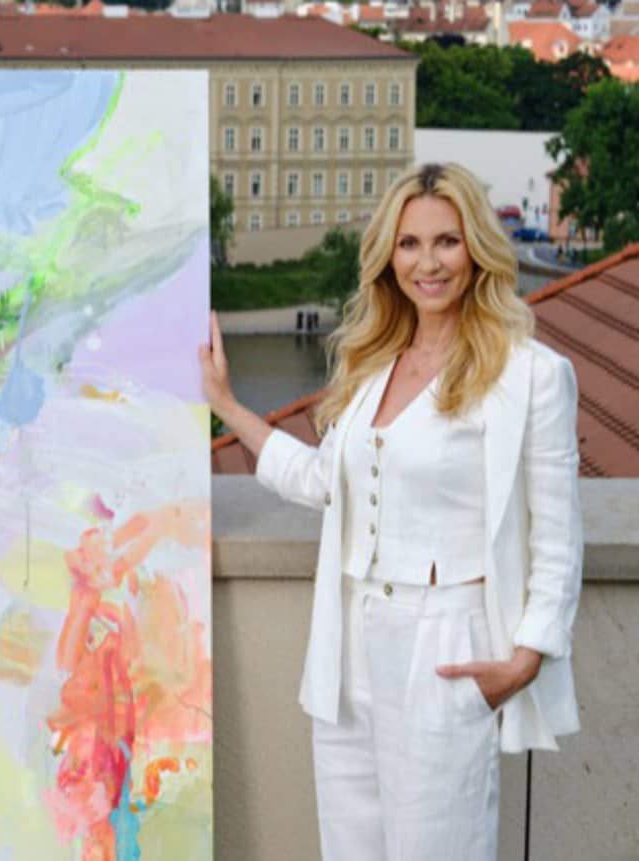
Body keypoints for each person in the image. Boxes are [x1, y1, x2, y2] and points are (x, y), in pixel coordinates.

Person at [199, 162, 582, 860]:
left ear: (477, 251)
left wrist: (524, 659)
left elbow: (558, 537)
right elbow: (321, 481)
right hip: (349, 644)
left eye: (446, 241)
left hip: (445, 645)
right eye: (409, 243)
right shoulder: (374, 365)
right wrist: (227, 405)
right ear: (387, 255)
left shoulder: (530, 375)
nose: (427, 262)